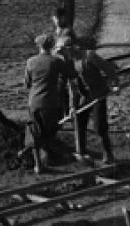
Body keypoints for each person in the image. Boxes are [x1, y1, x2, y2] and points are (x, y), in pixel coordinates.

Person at [68, 36, 119, 164]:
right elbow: (72, 86)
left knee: (99, 126)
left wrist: (114, 84)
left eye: (64, 51)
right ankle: (82, 152)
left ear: (72, 48)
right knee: (79, 119)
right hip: (85, 95)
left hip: (99, 93)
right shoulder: (70, 62)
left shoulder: (89, 55)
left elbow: (108, 68)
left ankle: (108, 154)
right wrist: (72, 106)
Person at [25, 33, 70, 175]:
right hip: (52, 102)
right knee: (51, 130)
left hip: (35, 102)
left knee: (34, 132)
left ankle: (38, 164)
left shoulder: (30, 62)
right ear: (51, 46)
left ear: (39, 46)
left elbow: (27, 83)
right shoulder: (56, 61)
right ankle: (48, 157)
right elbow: (71, 74)